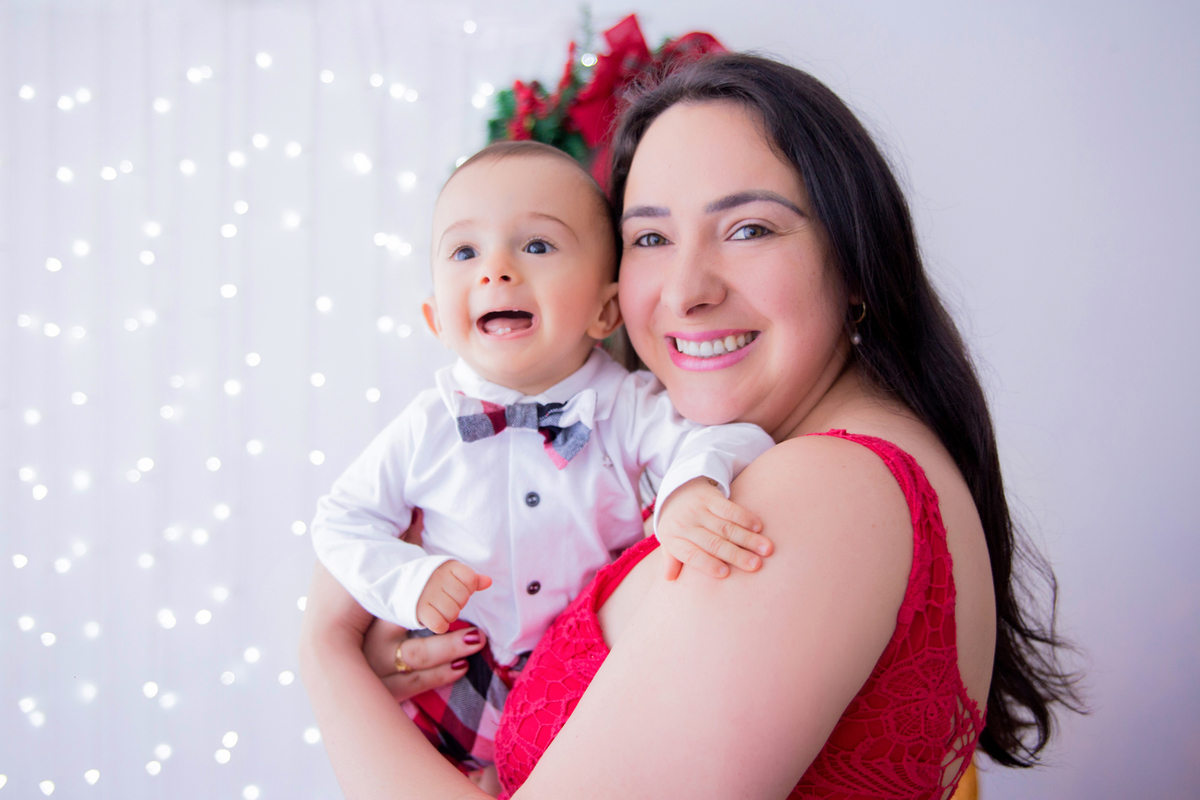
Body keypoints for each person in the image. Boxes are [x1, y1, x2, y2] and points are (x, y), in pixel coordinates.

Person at [300, 53, 1079, 799]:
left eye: (747, 229)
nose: (685, 289)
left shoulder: (816, 492)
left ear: (856, 259)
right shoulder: (778, 467)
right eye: (649, 238)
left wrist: (327, 653)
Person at [308, 140, 775, 773]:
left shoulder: (629, 406)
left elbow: (725, 437)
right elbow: (342, 519)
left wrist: (690, 487)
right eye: (465, 251)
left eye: (536, 246)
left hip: (584, 677)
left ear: (605, 309)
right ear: (436, 319)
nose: (495, 271)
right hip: (453, 676)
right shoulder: (427, 428)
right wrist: (407, 581)